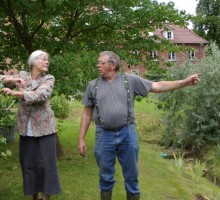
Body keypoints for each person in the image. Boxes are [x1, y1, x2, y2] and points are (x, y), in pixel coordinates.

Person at [77, 51, 201, 200]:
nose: (98, 65)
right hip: (103, 135)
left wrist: (183, 82)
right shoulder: (93, 85)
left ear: (113, 65)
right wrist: (81, 139)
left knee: (132, 176)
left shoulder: (130, 80)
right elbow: (86, 113)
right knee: (105, 177)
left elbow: (157, 86)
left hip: (127, 133)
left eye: (101, 63)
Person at [0, 50, 62, 200]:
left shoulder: (49, 79)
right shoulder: (22, 76)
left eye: (47, 60)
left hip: (45, 130)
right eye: (43, 59)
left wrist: (16, 93)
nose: (47, 62)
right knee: (28, 165)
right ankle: (35, 196)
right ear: (33, 62)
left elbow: (40, 96)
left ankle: (46, 198)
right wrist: (12, 79)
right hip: (26, 130)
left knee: (47, 166)